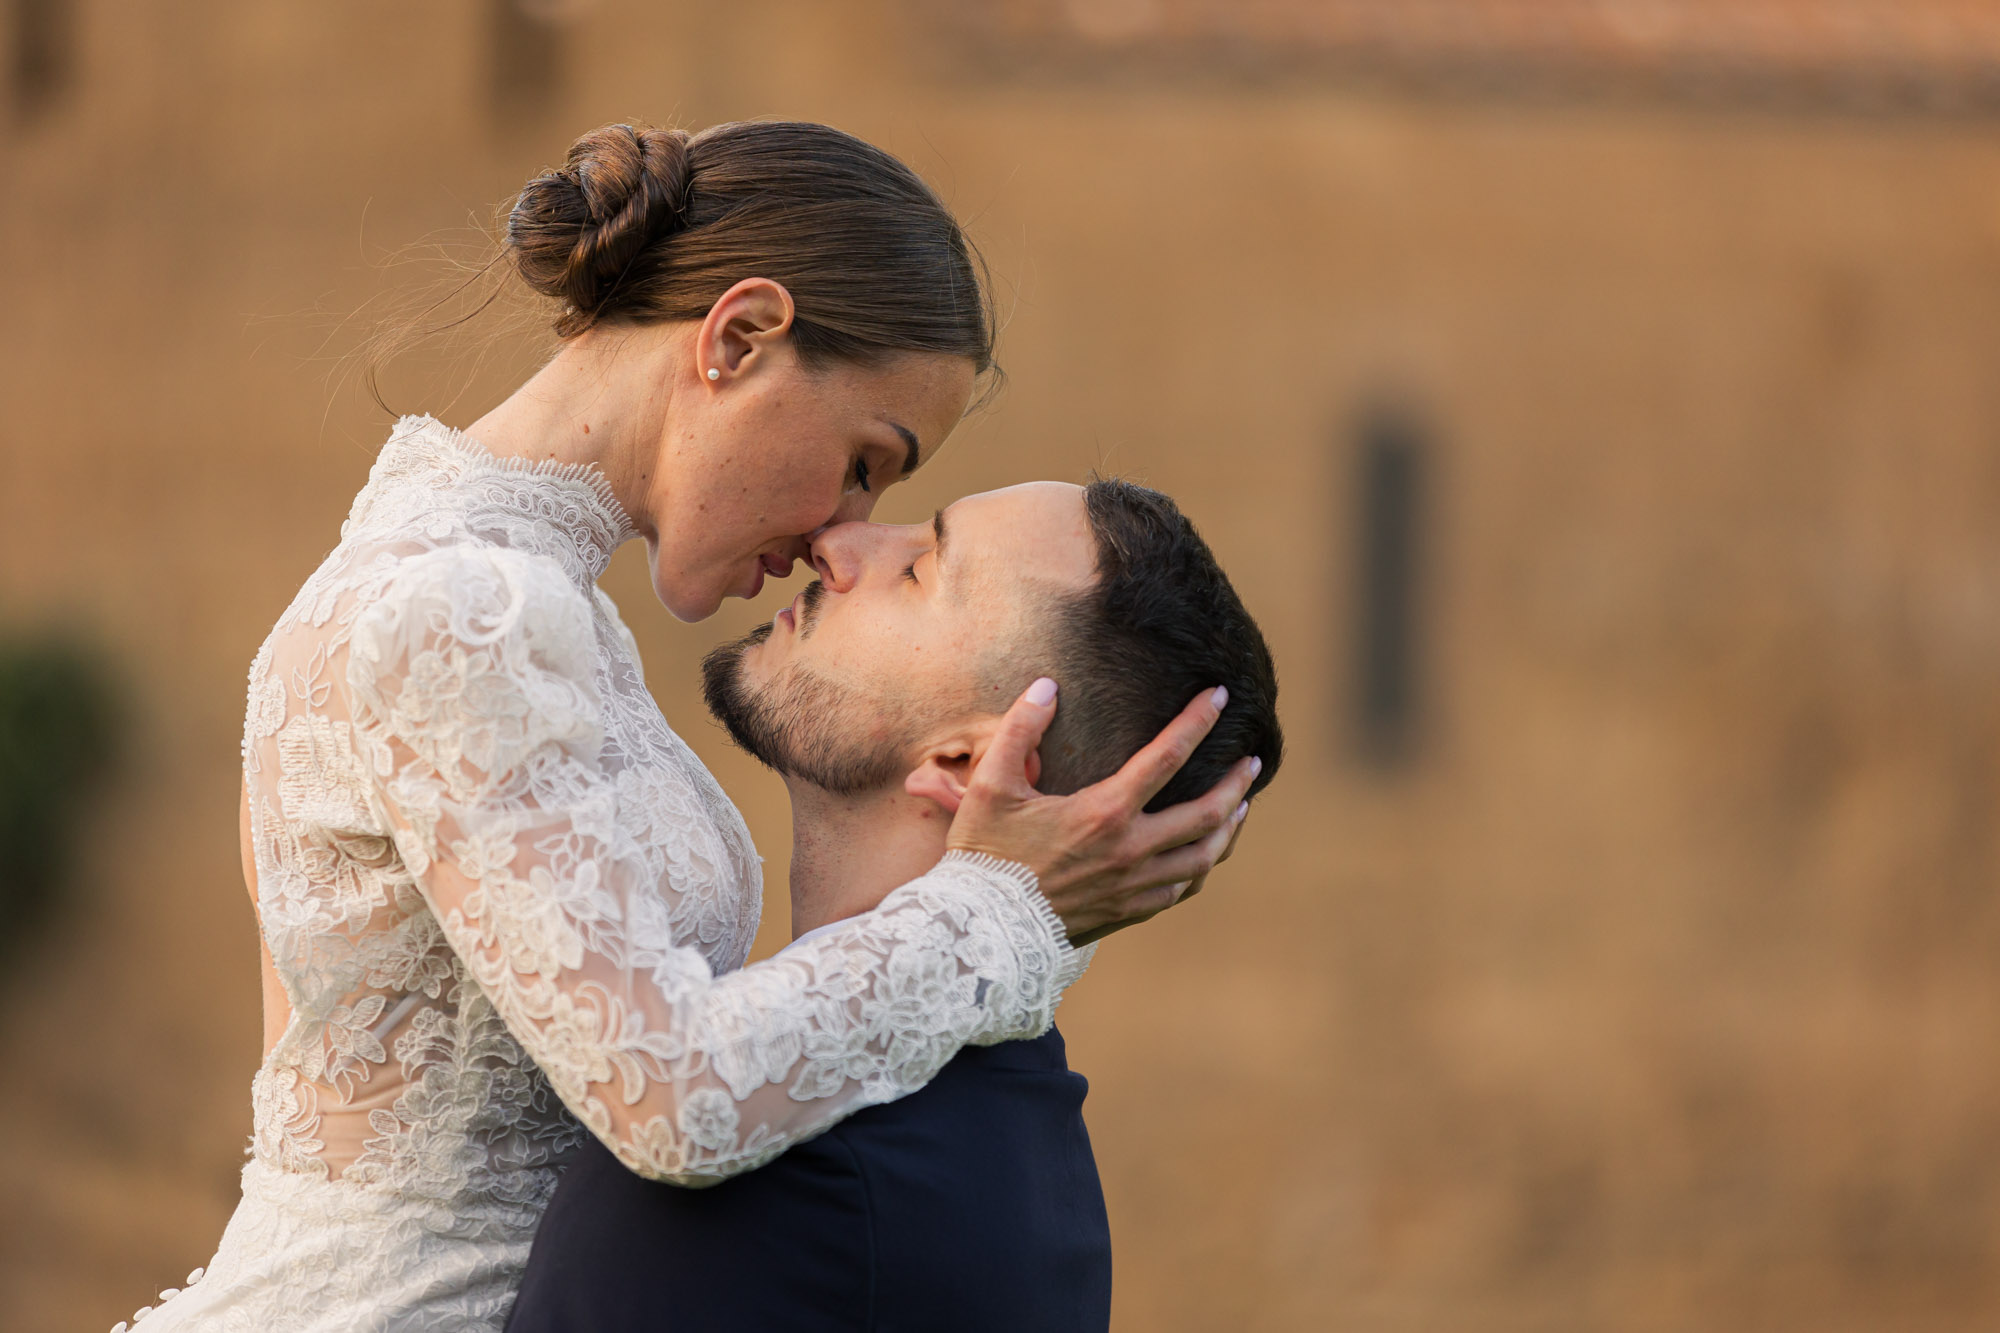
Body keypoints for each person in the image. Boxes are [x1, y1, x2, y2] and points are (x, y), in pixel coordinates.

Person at [116, 121, 1256, 1333]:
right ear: (740, 337)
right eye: (865, 460)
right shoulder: (461, 610)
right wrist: (999, 907)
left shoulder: (509, 600)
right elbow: (669, 1097)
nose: (840, 525)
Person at [504, 478, 1282, 1332]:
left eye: (921, 567)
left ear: (968, 761)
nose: (838, 541)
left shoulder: (777, 1163)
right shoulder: (1014, 1141)